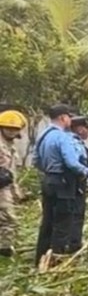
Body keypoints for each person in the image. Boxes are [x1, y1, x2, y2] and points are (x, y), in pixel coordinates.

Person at [34, 105, 88, 265]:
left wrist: (49, 170)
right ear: (63, 118)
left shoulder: (43, 135)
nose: (70, 120)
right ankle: (56, 261)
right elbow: (71, 163)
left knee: (47, 221)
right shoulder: (63, 138)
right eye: (68, 117)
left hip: (48, 180)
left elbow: (36, 160)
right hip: (63, 184)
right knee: (62, 223)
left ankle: (41, 259)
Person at [0, 110, 27, 258]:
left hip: (6, 186)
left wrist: (17, 192)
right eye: (8, 128)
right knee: (9, 219)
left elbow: (12, 172)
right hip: (1, 188)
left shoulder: (10, 145)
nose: (11, 132)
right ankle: (5, 249)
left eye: (14, 129)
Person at [67, 116, 88, 253]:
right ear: (79, 129)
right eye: (86, 128)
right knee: (76, 215)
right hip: (75, 185)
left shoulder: (73, 142)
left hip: (74, 184)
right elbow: (75, 165)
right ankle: (73, 244)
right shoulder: (73, 143)